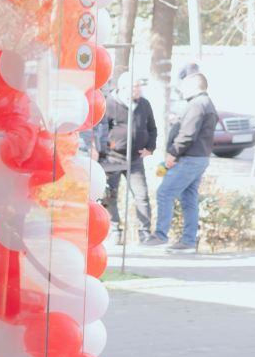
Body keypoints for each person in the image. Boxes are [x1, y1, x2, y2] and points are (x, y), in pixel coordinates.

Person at [146, 70, 216, 251]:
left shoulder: (197, 104)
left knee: (164, 193)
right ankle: (188, 241)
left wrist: (173, 154)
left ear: (195, 86)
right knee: (189, 198)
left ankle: (161, 235)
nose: (181, 90)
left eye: (185, 86)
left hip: (189, 158)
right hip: (199, 157)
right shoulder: (205, 103)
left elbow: (188, 134)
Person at [88, 79, 156, 241]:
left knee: (141, 195)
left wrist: (150, 148)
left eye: (139, 87)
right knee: (109, 195)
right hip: (113, 157)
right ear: (123, 88)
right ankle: (114, 230)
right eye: (135, 87)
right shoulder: (110, 103)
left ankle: (144, 232)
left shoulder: (144, 104)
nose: (138, 90)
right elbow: (101, 128)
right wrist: (101, 148)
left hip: (136, 158)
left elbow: (152, 128)